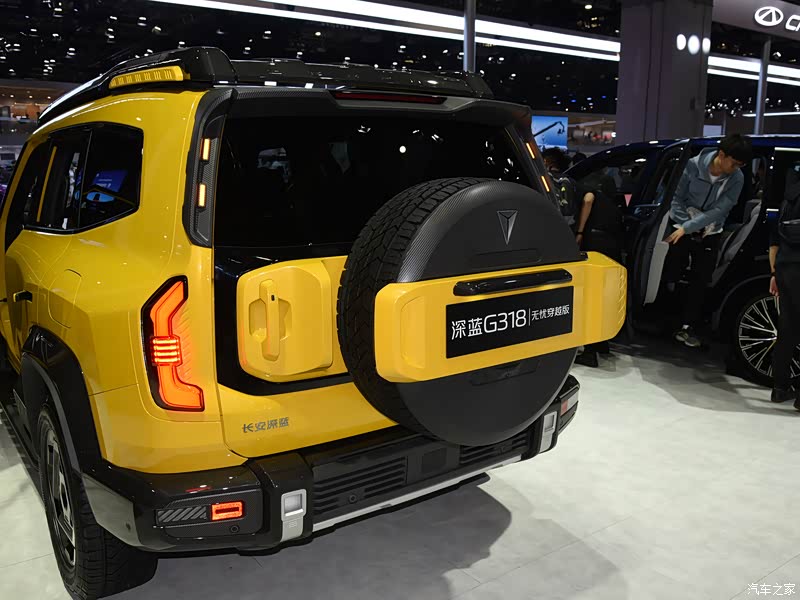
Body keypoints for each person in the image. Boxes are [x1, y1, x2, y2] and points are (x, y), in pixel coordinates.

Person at [662, 134, 752, 348]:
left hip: (711, 230)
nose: (736, 168)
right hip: (681, 225)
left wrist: (695, 227)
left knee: (701, 279)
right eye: (734, 163)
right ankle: (664, 318)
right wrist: (685, 225)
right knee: (671, 269)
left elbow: (721, 209)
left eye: (740, 165)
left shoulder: (737, 178)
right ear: (721, 154)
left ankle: (688, 326)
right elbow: (675, 198)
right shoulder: (692, 166)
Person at [573, 179, 624, 367]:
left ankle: (590, 351)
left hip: (596, 243)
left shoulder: (584, 188)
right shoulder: (609, 201)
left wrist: (579, 231)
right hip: (611, 246)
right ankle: (602, 343)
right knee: (603, 297)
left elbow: (588, 200)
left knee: (591, 297)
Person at [769, 167, 800, 409]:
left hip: (785, 267)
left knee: (787, 329)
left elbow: (775, 238)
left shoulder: (790, 195)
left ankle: (780, 388)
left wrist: (774, 274)